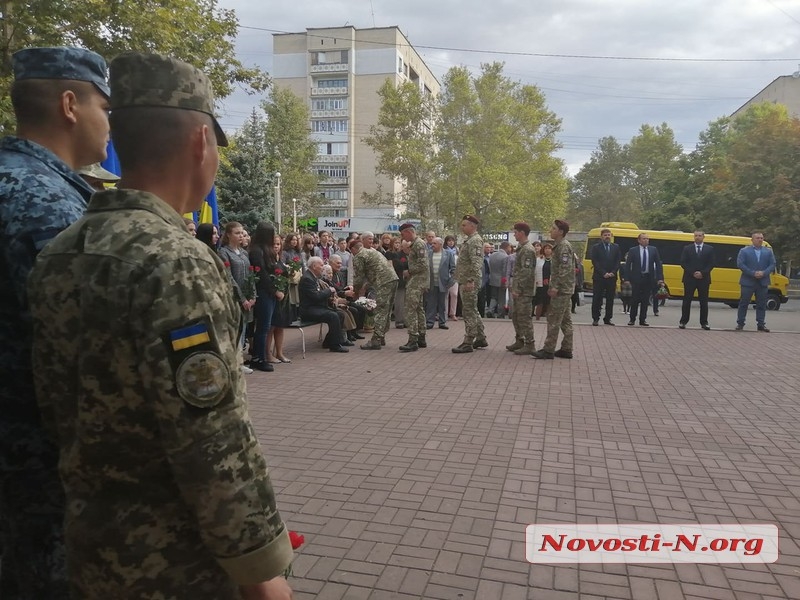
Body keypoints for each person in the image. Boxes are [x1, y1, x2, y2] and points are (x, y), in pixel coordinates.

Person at [27, 52, 294, 599]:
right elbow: (212, 438)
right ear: (202, 145)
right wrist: (261, 571)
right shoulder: (177, 261)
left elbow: (55, 406)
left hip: (89, 543)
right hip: (174, 561)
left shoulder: (61, 250)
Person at [0, 44, 110, 600]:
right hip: (40, 486)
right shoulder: (50, 206)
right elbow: (84, 365)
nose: (108, 124)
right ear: (71, 104)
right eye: (105, 108)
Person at [532, 220, 576, 359]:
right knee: (565, 320)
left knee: (554, 319)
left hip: (562, 289)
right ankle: (566, 348)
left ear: (561, 232)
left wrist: (556, 286)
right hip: (565, 288)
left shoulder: (563, 246)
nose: (551, 230)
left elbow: (565, 269)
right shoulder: (559, 246)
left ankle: (548, 349)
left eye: (553, 228)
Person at [218, 222, 255, 374]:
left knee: (244, 329)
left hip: (248, 298)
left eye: (242, 233)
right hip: (235, 299)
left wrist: (252, 295)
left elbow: (252, 274)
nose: (241, 235)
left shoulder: (244, 253)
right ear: (228, 235)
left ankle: (239, 360)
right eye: (237, 233)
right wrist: (242, 298)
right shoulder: (224, 252)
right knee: (235, 330)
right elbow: (229, 278)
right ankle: (234, 362)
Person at [351, 239, 399, 349]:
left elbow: (358, 277)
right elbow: (372, 272)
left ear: (354, 249)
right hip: (393, 279)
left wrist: (355, 292)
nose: (352, 254)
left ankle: (376, 340)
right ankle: (381, 336)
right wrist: (364, 286)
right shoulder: (373, 251)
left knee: (381, 310)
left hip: (383, 282)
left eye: (351, 251)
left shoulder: (359, 256)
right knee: (387, 310)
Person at [452, 215, 487, 353]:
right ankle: (480, 337)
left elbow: (477, 262)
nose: (462, 227)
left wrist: (471, 280)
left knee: (468, 311)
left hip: (469, 281)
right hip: (466, 280)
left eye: (464, 225)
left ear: (472, 226)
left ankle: (468, 341)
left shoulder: (475, 241)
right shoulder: (470, 240)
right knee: (472, 310)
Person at [299, 256, 349, 352]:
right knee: (333, 316)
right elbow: (316, 296)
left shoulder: (314, 277)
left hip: (318, 307)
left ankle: (329, 341)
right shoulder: (307, 278)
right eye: (321, 265)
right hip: (309, 310)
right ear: (314, 266)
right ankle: (335, 345)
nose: (323, 267)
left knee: (340, 314)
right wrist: (329, 291)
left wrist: (330, 299)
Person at [397, 223, 431, 352]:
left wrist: (409, 271)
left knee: (410, 309)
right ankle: (421, 336)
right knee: (418, 309)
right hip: (419, 280)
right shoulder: (417, 244)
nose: (402, 237)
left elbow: (423, 265)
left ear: (409, 232)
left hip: (417, 281)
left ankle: (413, 339)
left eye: (403, 234)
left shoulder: (418, 244)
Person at [506, 223, 537, 355]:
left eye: (516, 232)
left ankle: (530, 344)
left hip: (524, 290)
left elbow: (526, 272)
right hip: (518, 288)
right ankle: (520, 340)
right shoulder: (521, 248)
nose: (514, 234)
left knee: (524, 317)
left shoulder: (528, 250)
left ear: (522, 233)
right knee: (516, 316)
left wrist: (518, 288)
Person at [735, 232, 775, 332]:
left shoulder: (768, 252)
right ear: (752, 240)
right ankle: (740, 323)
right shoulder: (744, 251)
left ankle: (761, 324)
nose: (760, 240)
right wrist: (753, 273)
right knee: (744, 303)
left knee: (761, 304)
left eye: (761, 238)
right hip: (748, 281)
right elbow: (740, 264)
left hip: (763, 281)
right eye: (757, 238)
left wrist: (764, 273)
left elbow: (772, 264)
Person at [624, 233, 664, 327]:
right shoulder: (633, 250)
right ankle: (632, 319)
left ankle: (643, 319)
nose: (646, 240)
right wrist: (626, 278)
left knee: (645, 300)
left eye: (647, 239)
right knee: (634, 299)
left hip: (648, 278)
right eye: (644, 238)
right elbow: (628, 265)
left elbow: (658, 264)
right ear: (639, 240)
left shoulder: (653, 250)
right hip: (636, 278)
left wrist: (660, 278)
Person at [679, 230, 715, 330]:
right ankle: (683, 321)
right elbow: (683, 262)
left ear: (704, 237)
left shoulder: (709, 249)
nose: (697, 237)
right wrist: (693, 273)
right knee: (687, 300)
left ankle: (704, 322)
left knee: (703, 301)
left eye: (699, 236)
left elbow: (711, 263)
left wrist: (702, 273)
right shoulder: (687, 248)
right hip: (689, 278)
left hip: (704, 279)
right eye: (696, 236)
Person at [590, 228, 621, 326]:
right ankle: (595, 318)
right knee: (597, 298)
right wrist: (604, 273)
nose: (607, 236)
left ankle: (608, 318)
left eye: (609, 235)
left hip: (611, 277)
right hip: (599, 277)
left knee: (610, 299)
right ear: (601, 237)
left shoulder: (616, 247)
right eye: (605, 235)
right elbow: (595, 262)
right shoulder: (596, 247)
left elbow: (617, 261)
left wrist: (613, 272)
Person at [425, 237, 456, 330]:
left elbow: (453, 269)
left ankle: (442, 322)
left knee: (442, 304)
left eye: (434, 243)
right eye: (432, 243)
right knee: (431, 303)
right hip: (431, 283)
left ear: (440, 244)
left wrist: (451, 281)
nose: (432, 245)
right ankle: (430, 322)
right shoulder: (428, 253)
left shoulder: (448, 254)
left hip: (443, 283)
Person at [385, 236, 407, 328]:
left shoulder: (403, 253)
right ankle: (399, 320)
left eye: (399, 243)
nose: (397, 245)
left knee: (405, 302)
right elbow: (396, 265)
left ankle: (406, 320)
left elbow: (406, 264)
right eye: (395, 243)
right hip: (395, 279)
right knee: (398, 302)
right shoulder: (389, 253)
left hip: (405, 280)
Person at [486, 241, 510, 318]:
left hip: (492, 279)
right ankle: (500, 313)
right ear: (507, 247)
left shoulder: (492, 255)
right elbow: (505, 270)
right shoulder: (505, 257)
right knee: (501, 298)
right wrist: (504, 281)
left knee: (494, 297)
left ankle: (490, 310)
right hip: (501, 280)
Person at [444, 235, 460, 321]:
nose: (451, 242)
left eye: (452, 241)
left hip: (455, 276)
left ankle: (453, 313)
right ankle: (445, 313)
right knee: (445, 295)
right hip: (446, 275)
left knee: (454, 294)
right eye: (449, 241)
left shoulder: (457, 251)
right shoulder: (443, 251)